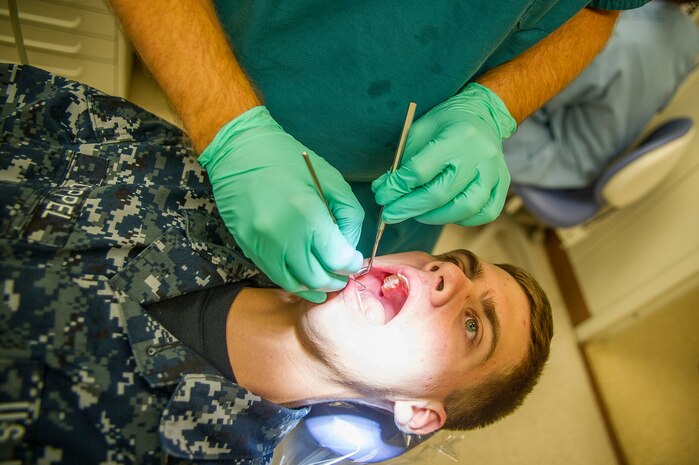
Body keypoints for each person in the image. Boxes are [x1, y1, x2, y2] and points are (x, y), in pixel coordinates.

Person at [0, 65, 552, 464]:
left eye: (474, 325)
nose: (448, 275)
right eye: (455, 263)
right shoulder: (218, 194)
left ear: (418, 414)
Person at [108, 0, 649, 304]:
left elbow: (600, 11)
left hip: (397, 174)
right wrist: (230, 128)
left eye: (471, 323)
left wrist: (494, 106)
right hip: (233, 79)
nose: (449, 277)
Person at [504, 0, 699, 188]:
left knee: (488, 95)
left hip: (556, 157)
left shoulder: (614, 36)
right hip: (597, 152)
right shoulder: (690, 38)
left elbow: (536, 97)